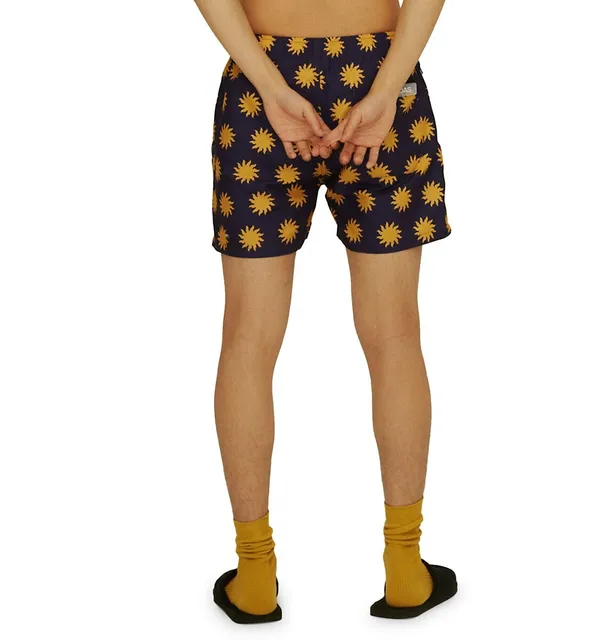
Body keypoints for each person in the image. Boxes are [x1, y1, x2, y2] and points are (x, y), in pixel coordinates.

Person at [195, 0, 457, 623]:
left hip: (263, 84)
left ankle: (255, 575)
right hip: (379, 70)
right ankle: (405, 567)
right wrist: (387, 89)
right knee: (395, 337)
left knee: (248, 339)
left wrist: (269, 85)